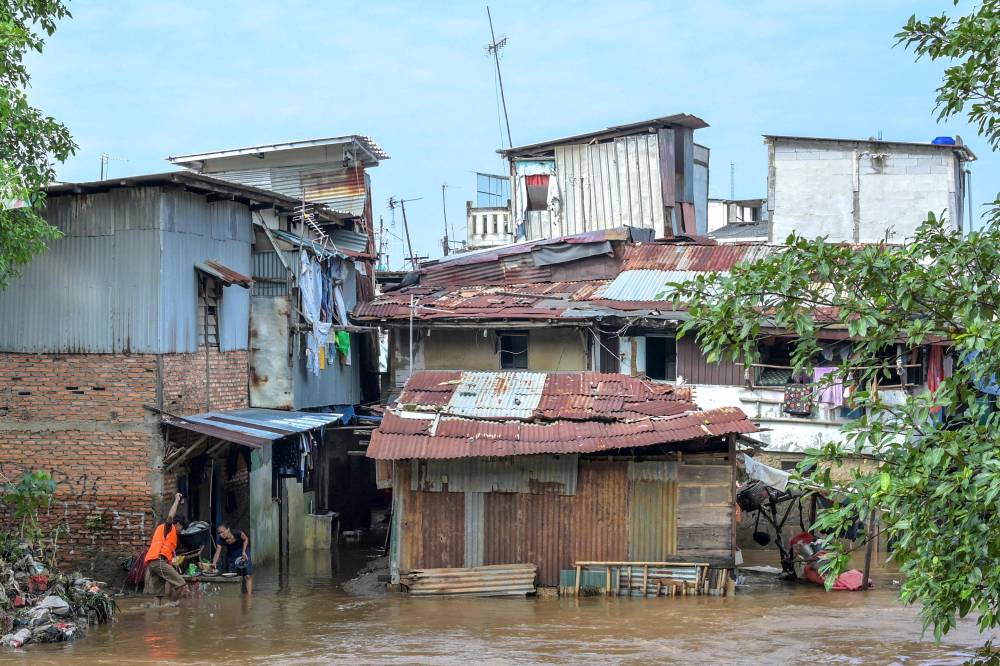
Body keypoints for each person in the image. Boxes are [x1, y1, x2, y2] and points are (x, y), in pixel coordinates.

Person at [143, 492, 188, 605]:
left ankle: (156, 613)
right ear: (177, 524)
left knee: (158, 596)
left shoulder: (162, 530)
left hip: (153, 564)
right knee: (181, 584)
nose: (180, 531)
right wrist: (177, 500)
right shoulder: (169, 527)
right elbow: (170, 516)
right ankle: (170, 607)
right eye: (181, 528)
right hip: (158, 562)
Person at [212, 523, 253, 595]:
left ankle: (249, 596)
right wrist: (214, 563)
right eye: (219, 533)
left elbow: (246, 539)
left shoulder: (237, 533)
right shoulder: (220, 539)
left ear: (228, 530)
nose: (221, 534)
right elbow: (217, 552)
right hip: (232, 554)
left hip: (243, 550)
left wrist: (243, 552)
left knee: (247, 575)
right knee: (233, 574)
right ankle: (237, 594)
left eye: (222, 531)